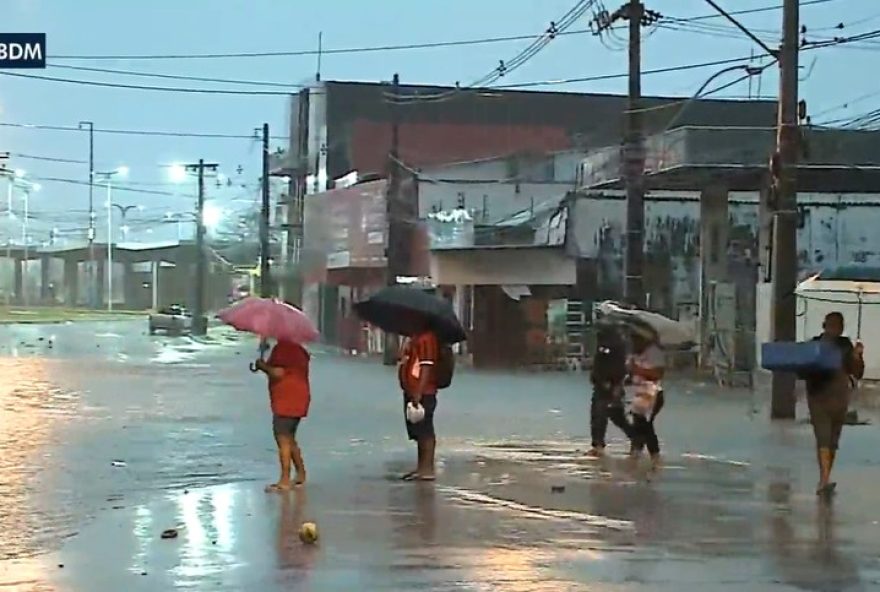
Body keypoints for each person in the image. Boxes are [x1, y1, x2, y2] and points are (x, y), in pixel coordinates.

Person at [803, 311, 864, 496]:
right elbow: (802, 369)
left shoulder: (846, 347)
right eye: (832, 325)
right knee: (823, 438)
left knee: (832, 441)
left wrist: (857, 356)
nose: (835, 329)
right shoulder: (814, 345)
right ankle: (824, 480)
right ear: (824, 326)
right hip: (818, 397)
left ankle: (826, 476)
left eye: (838, 325)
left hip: (839, 399)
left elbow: (857, 373)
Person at [255, 338, 312, 491]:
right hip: (299, 397)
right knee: (289, 437)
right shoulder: (299, 349)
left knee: (282, 438)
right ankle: (300, 474)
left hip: (287, 398)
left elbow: (278, 373)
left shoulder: (284, 349)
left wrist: (263, 366)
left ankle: (284, 480)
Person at [398, 320, 441, 481]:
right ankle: (420, 467)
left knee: (425, 431)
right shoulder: (415, 338)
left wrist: (419, 392)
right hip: (412, 390)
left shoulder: (427, 339)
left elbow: (426, 367)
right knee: (418, 432)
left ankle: (427, 469)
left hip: (423, 392)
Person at [587, 324, 633, 457]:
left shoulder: (613, 345)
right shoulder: (610, 344)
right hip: (604, 385)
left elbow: (616, 367)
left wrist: (615, 385)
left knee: (606, 415)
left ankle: (599, 445)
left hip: (609, 385)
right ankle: (598, 445)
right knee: (604, 416)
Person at [628, 328, 666, 468]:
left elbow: (658, 374)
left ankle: (654, 455)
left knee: (646, 426)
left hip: (652, 395)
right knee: (638, 424)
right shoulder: (636, 353)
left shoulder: (654, 352)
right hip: (639, 394)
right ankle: (636, 454)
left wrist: (636, 369)